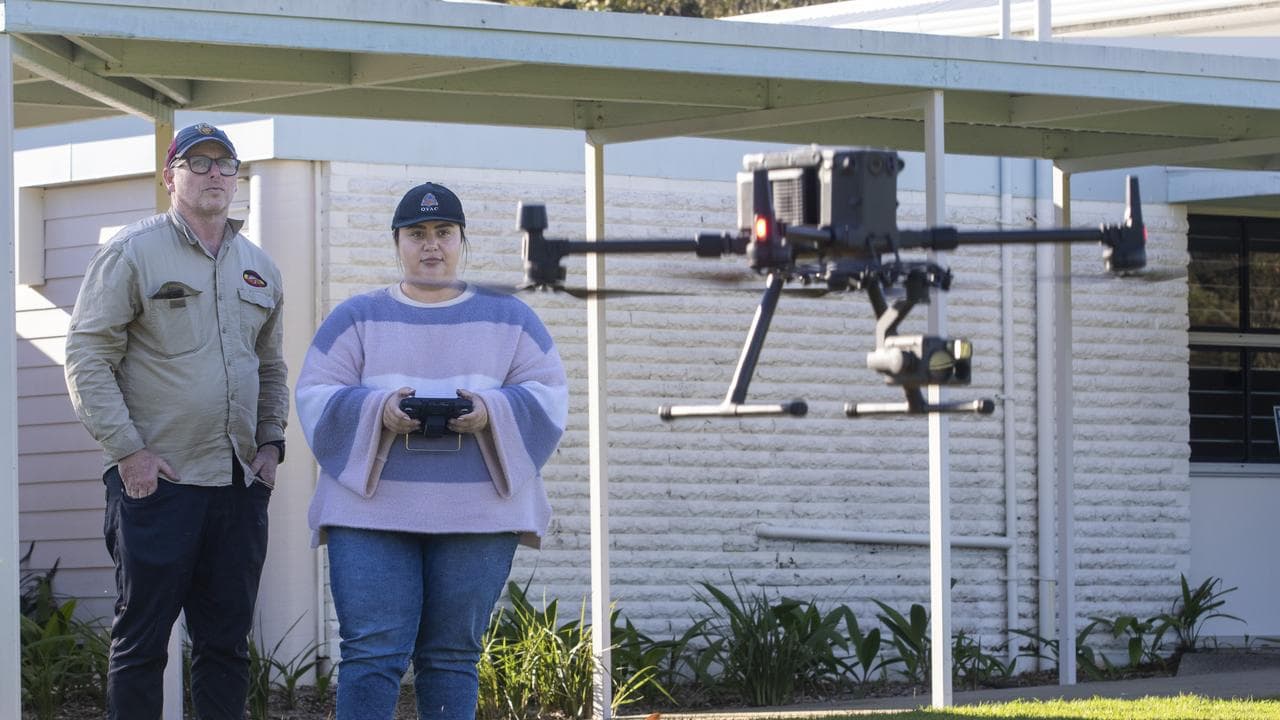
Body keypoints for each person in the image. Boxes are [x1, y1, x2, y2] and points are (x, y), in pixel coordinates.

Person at [296, 181, 568, 720]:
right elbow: (315, 394)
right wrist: (380, 410)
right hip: (370, 515)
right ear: (396, 242)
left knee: (452, 656)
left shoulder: (510, 316)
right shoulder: (355, 317)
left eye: (443, 232)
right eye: (416, 233)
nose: (431, 245)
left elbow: (549, 396)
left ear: (462, 240)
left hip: (478, 516)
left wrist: (490, 410)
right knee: (371, 654)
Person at [64, 122, 288, 720]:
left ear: (236, 178)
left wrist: (271, 446)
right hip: (157, 484)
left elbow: (270, 365)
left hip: (238, 486)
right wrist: (128, 452)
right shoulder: (131, 253)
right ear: (171, 176)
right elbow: (87, 356)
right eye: (198, 162)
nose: (214, 173)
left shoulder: (260, 269)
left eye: (225, 163)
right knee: (141, 643)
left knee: (226, 646)